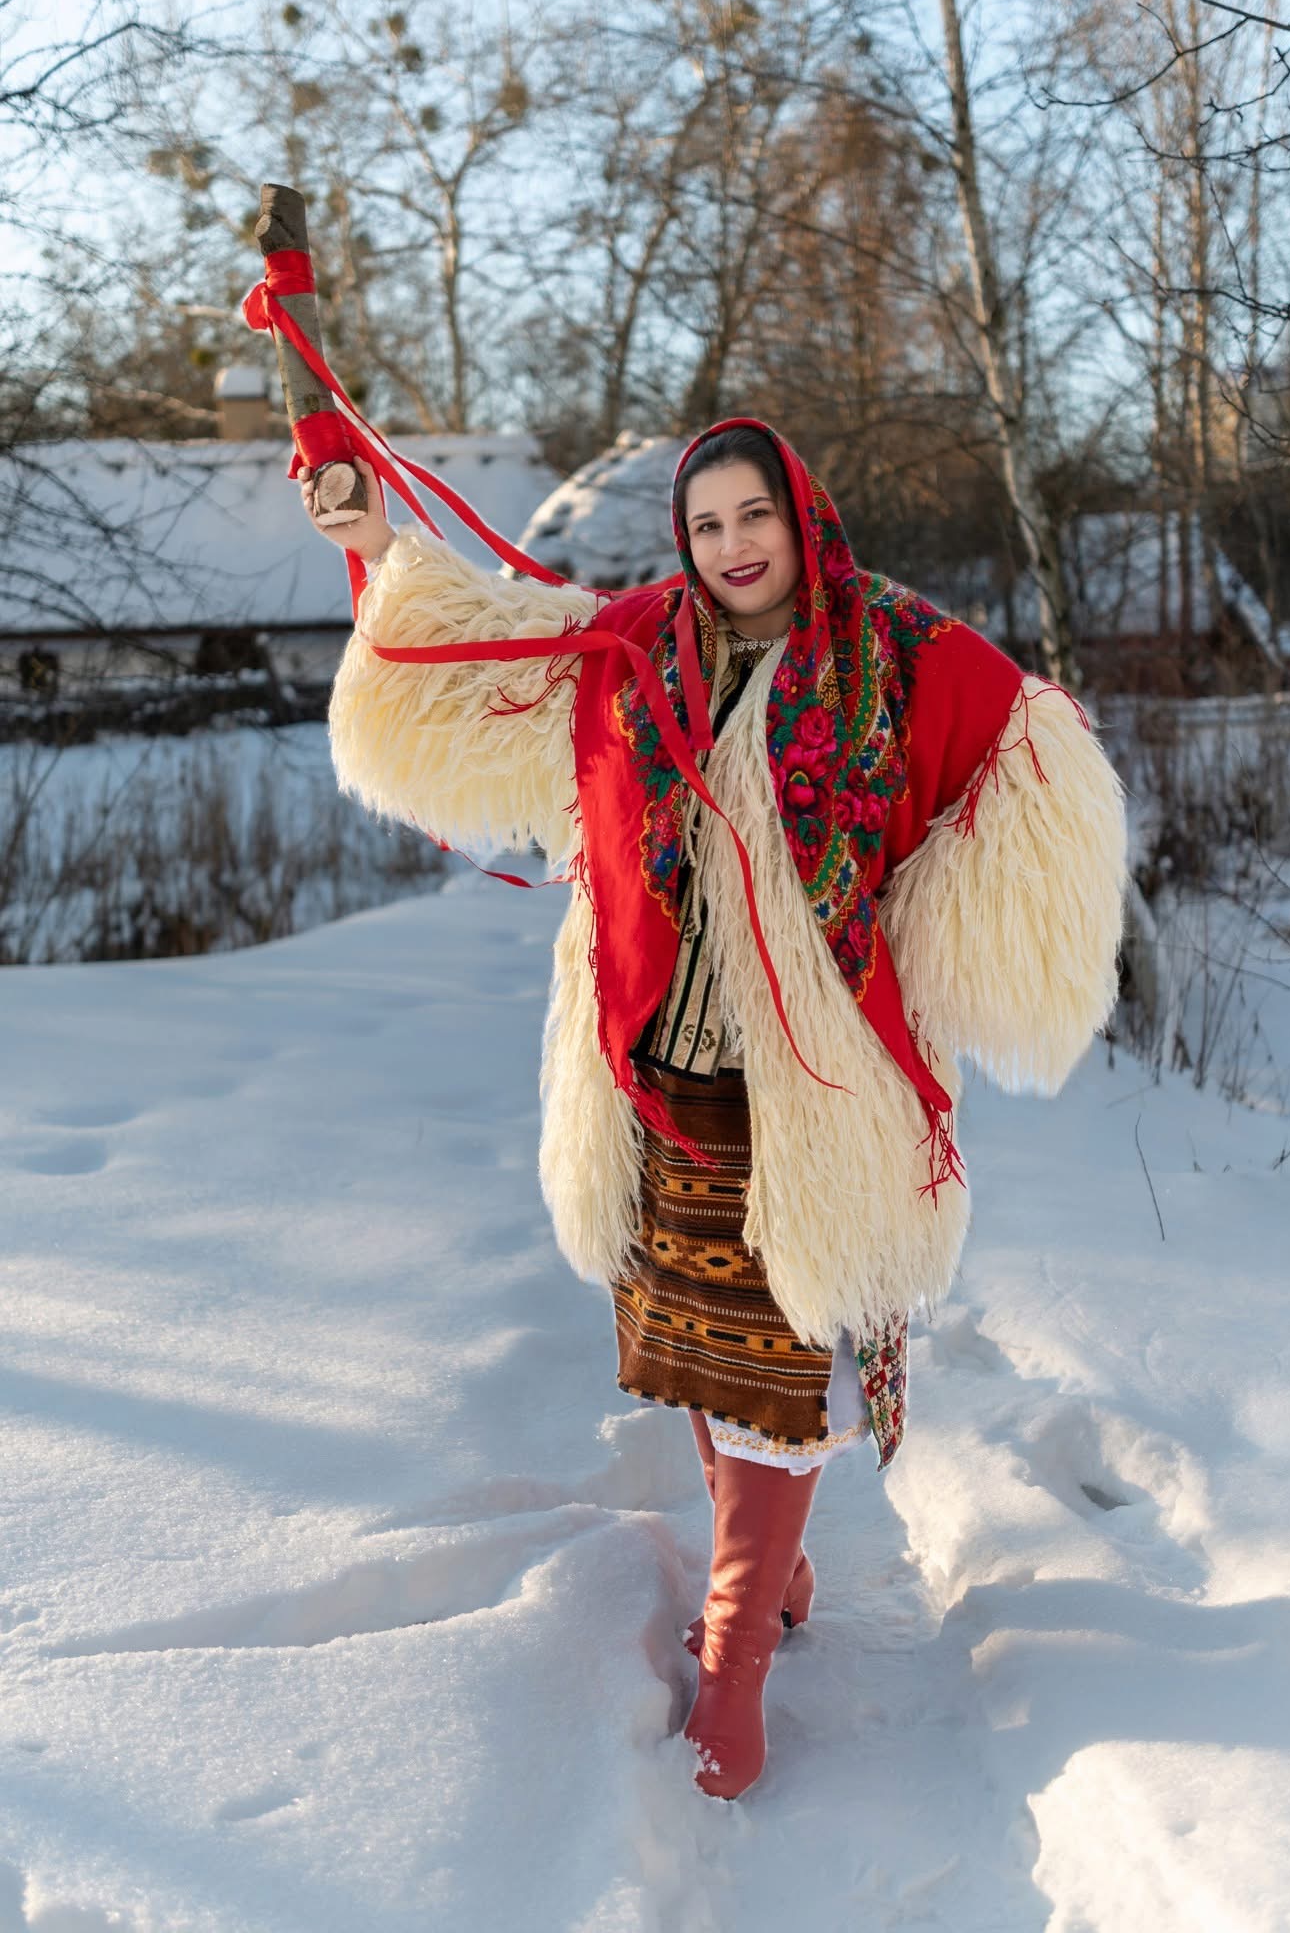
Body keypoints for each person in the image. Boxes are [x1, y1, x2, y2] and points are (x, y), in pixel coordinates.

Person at [302, 417, 1128, 1802]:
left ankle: (737, 1656)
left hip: (808, 1098)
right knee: (700, 1359)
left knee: (775, 1380)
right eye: (706, 526)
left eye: (755, 516)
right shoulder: (640, 643)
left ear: (801, 517)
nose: (734, 546)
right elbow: (496, 640)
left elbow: (1030, 744)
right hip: (656, 1076)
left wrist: (949, 929)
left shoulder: (898, 653)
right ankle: (777, 1569)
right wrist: (374, 540)